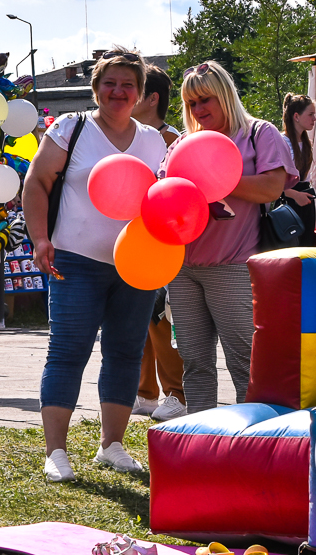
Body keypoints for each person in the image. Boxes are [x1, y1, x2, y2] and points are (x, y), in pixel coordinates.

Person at [23, 47, 167, 482]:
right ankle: (56, 453)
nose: (118, 91)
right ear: (96, 88)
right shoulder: (72, 127)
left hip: (135, 265)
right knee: (68, 353)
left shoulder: (153, 140)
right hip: (74, 260)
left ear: (141, 92)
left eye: (128, 84)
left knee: (124, 353)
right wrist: (40, 239)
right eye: (110, 83)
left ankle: (113, 445)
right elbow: (36, 182)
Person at [161, 60, 297, 414]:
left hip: (235, 266)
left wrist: (215, 179)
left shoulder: (259, 133)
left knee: (245, 365)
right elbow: (165, 194)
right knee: (195, 364)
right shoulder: (183, 144)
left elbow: (271, 187)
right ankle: (204, 441)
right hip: (183, 268)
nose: (198, 109)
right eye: (191, 103)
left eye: (205, 99)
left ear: (225, 95)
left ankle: (254, 446)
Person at [129, 64, 187, 422]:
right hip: (129, 238)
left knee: (161, 318)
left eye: (134, 90)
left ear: (152, 99)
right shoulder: (124, 136)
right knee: (137, 318)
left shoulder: (174, 141)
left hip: (162, 239)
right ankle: (145, 392)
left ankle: (178, 394)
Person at [281, 93, 316, 245]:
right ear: (296, 116)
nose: (314, 119)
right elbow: (273, 184)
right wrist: (295, 195)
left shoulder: (307, 143)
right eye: (310, 114)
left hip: (305, 202)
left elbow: (306, 179)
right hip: (288, 205)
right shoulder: (282, 142)